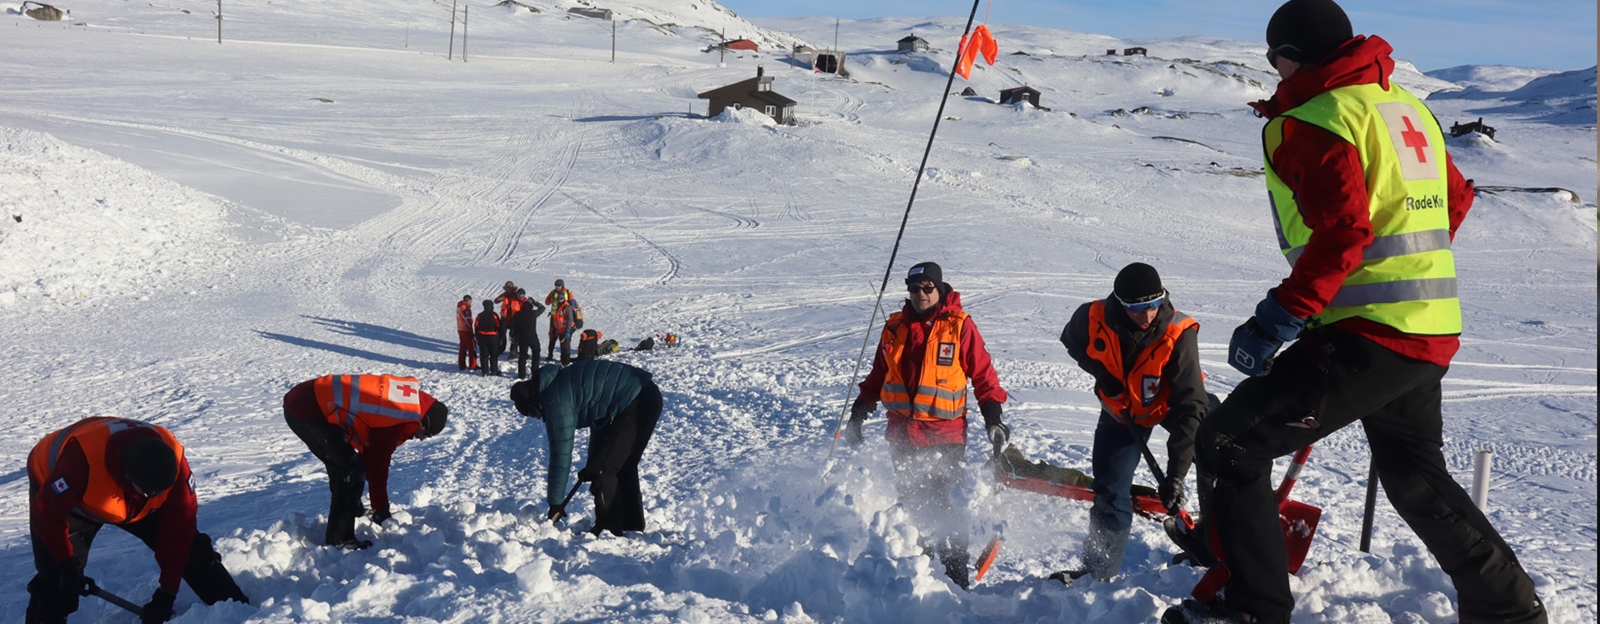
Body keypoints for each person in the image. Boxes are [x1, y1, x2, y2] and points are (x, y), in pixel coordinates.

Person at [1166, 2, 1548, 622]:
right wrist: (1403, 271)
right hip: (1426, 328)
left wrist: (1280, 317)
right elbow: (1454, 200)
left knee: (1231, 441)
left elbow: (1343, 234)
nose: (1273, 71)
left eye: (1273, 58)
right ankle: (1507, 609)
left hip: (1368, 333)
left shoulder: (1315, 120)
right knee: (1415, 477)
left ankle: (1253, 608)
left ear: (1291, 56)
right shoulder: (1403, 106)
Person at [846, 262, 1010, 589]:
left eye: (927, 288)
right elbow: (879, 375)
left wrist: (994, 418)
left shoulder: (958, 326)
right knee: (913, 510)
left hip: (944, 436)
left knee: (947, 509)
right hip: (902, 436)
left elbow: (983, 375)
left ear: (939, 288)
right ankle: (918, 581)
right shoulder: (894, 327)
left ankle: (955, 579)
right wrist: (860, 410)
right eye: (913, 288)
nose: (920, 294)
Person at [1058, 262, 1206, 582]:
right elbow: (1071, 341)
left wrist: (1175, 477)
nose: (1148, 314)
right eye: (1138, 308)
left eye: (1155, 304)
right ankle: (1098, 575)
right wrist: (1102, 374)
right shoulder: (1092, 316)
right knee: (1110, 490)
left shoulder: (1178, 333)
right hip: (1122, 412)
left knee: (1217, 451)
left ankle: (1213, 548)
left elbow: (1190, 406)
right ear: (1120, 303)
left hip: (1171, 405)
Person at [26, 417, 250, 624]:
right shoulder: (79, 464)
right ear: (127, 477)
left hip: (130, 501)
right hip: (71, 500)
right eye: (148, 491)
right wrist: (66, 564)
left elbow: (180, 535)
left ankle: (238, 611)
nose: (154, 496)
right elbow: (46, 516)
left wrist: (166, 594)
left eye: (160, 492)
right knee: (56, 581)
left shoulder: (175, 472)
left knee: (193, 552)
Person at [282, 375, 448, 551]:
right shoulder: (399, 413)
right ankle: (341, 539)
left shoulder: (404, 400)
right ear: (424, 420)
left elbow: (371, 455)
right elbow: (378, 466)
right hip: (308, 409)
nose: (422, 438)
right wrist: (381, 510)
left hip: (305, 400)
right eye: (426, 433)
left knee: (344, 466)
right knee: (350, 470)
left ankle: (351, 512)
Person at [509, 360, 662, 536]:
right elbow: (600, 422)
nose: (537, 417)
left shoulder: (555, 399)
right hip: (648, 395)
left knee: (605, 470)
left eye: (532, 413)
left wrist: (556, 503)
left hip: (636, 401)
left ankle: (609, 529)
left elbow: (561, 454)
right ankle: (632, 525)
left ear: (533, 402)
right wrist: (593, 463)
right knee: (622, 466)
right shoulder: (559, 383)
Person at [508, 288, 547, 379]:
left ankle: (521, 375)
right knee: (536, 353)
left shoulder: (517, 315)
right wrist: (534, 302)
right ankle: (535, 371)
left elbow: (513, 327)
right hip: (532, 336)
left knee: (522, 356)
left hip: (522, 337)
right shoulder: (533, 314)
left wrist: (513, 336)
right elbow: (543, 308)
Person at [544, 279, 578, 362]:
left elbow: (572, 304)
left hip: (564, 318)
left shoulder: (568, 292)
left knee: (565, 341)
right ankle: (550, 355)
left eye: (558, 286)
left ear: (562, 285)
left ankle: (565, 358)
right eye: (556, 286)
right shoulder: (553, 292)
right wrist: (551, 300)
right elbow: (547, 302)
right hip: (554, 318)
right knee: (552, 337)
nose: (557, 288)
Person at [495, 282, 524, 357]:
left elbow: (523, 300)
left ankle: (513, 351)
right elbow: (496, 301)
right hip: (505, 317)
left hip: (514, 317)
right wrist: (501, 298)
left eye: (510, 288)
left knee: (513, 335)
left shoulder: (516, 294)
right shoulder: (504, 295)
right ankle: (500, 349)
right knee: (502, 334)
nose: (508, 289)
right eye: (507, 288)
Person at [547, 298, 579, 365]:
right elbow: (554, 318)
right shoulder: (555, 306)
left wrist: (568, 331)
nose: (560, 300)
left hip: (566, 330)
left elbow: (570, 319)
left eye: (561, 298)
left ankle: (566, 362)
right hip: (558, 330)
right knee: (562, 346)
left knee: (565, 347)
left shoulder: (566, 307)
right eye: (559, 298)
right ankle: (563, 360)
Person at [475, 299, 503, 376]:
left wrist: (477, 337)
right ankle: (494, 371)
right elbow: (498, 326)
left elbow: (476, 327)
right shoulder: (494, 315)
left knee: (484, 354)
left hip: (482, 336)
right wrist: (500, 337)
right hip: (492, 336)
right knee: (494, 354)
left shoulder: (479, 315)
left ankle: (485, 371)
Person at [456, 295, 478, 372]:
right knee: (472, 348)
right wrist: (471, 332)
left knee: (463, 348)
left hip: (460, 330)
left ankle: (461, 364)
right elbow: (468, 321)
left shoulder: (459, 307)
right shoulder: (466, 309)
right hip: (466, 331)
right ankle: (473, 365)